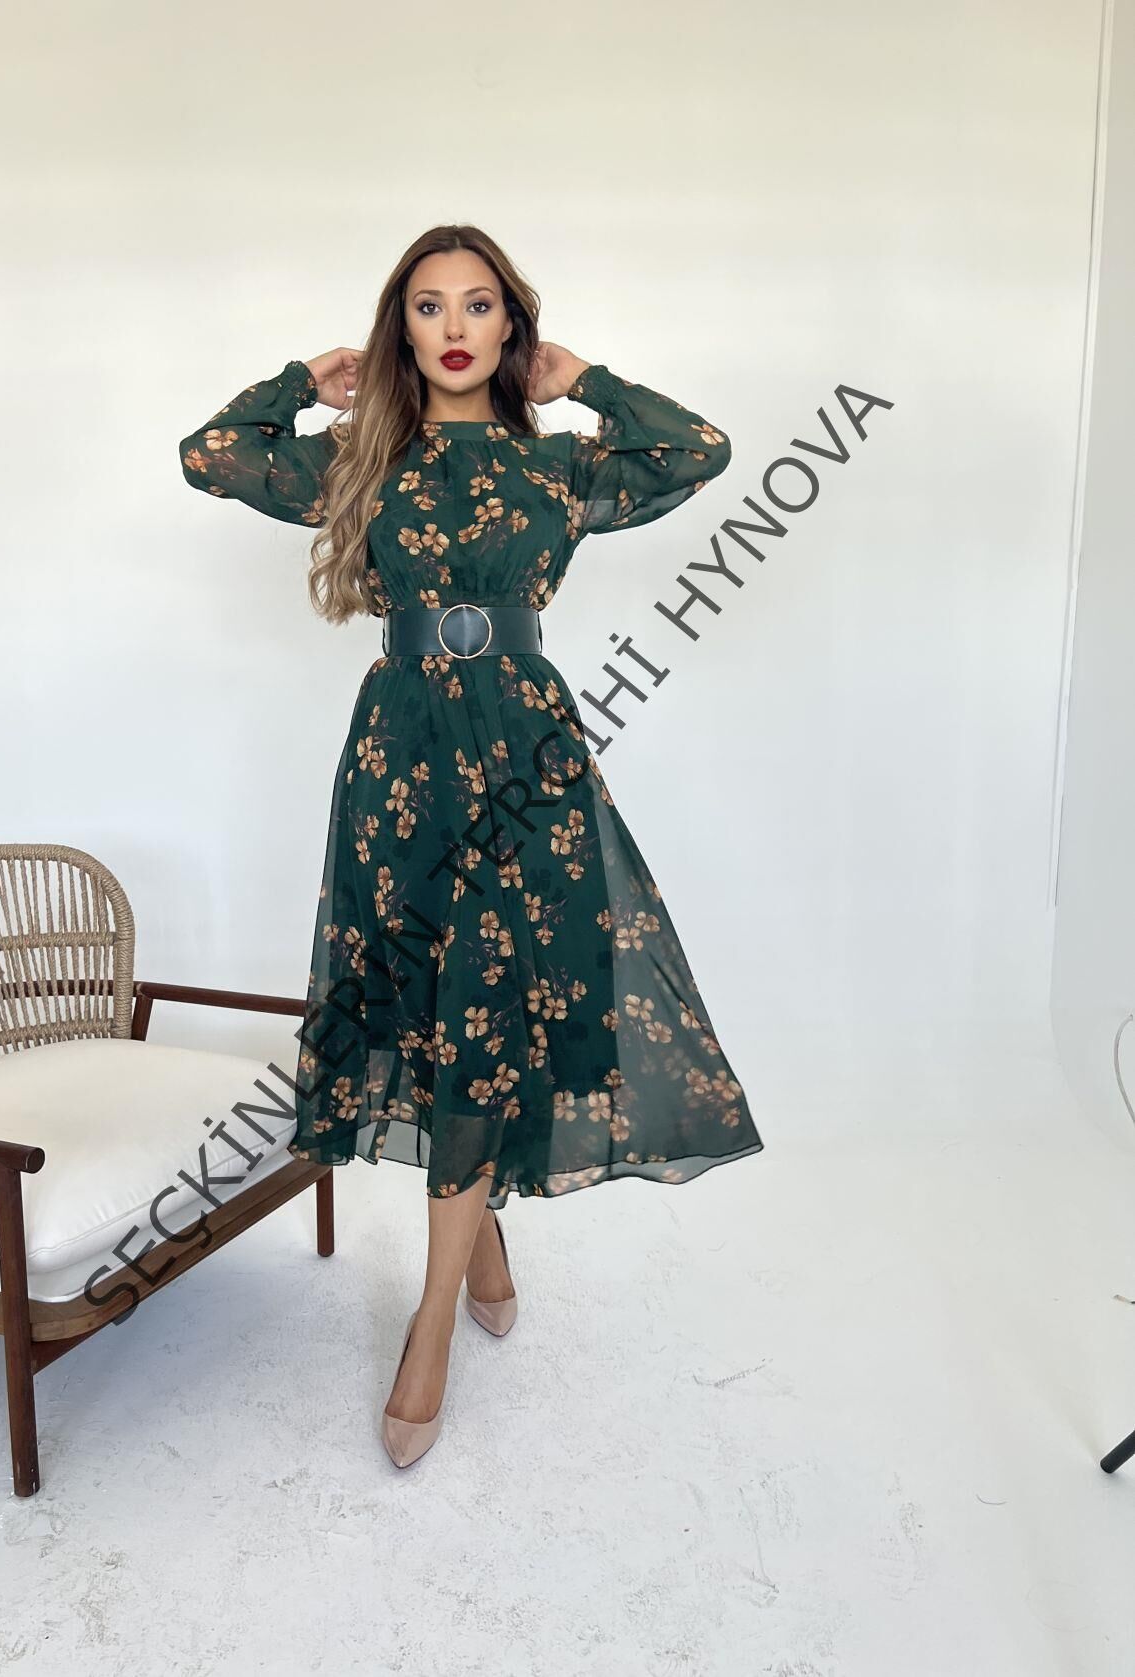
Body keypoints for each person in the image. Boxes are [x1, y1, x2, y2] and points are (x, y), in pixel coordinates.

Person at [178, 223, 763, 1468]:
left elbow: (698, 449)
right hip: (400, 762)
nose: (454, 327)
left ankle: (433, 1316)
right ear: (399, 331)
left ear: (511, 325)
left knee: (496, 1004)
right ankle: (482, 1240)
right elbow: (209, 456)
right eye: (429, 306)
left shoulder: (559, 469)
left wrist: (583, 380)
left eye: (479, 305)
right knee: (431, 1004)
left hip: (527, 755)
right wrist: (303, 382)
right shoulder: (358, 463)